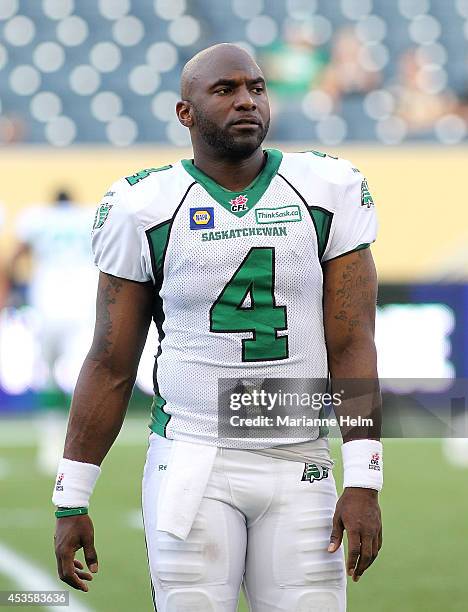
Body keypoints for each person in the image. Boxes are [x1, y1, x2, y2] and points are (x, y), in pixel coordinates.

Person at [53, 44, 382, 612]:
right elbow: (110, 362)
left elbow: (352, 342)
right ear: (186, 113)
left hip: (299, 455)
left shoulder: (329, 188)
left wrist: (364, 478)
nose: (246, 101)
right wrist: (71, 497)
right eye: (225, 90)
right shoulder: (143, 205)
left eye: (256, 87)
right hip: (192, 459)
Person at [8, 190, 97, 474]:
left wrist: (15, 287)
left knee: (46, 375)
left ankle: (50, 444)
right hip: (82, 304)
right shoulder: (89, 215)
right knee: (79, 376)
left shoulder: (37, 218)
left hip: (47, 303)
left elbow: (14, 258)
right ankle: (80, 447)